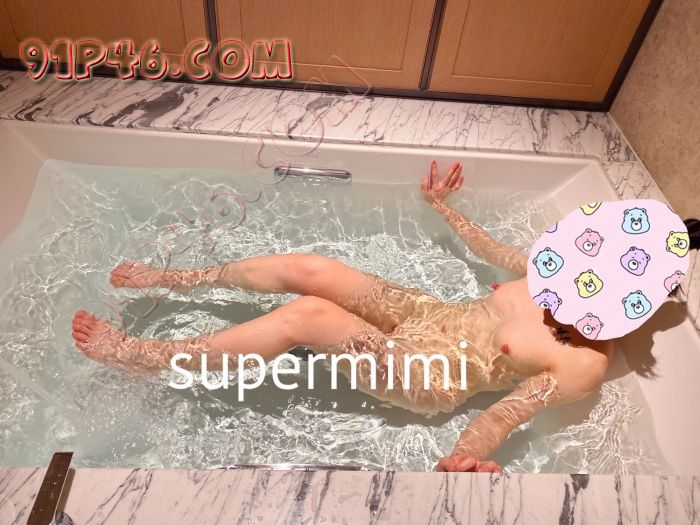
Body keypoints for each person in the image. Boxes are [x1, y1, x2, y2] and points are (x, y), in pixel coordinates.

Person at [71, 161, 699, 473]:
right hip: (426, 314)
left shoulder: (584, 365)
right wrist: (443, 207)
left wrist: (467, 456)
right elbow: (492, 249)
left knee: (309, 315)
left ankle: (147, 359)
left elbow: (505, 415)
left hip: (429, 376)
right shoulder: (560, 266)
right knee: (313, 270)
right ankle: (179, 279)